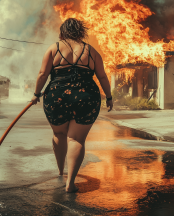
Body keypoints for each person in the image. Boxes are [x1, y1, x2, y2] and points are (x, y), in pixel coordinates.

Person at [31, 18, 113, 193]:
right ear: (81, 32)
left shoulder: (54, 48)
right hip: (87, 96)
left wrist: (36, 94)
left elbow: (43, 73)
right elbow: (103, 77)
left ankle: (61, 171)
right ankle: (71, 183)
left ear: (62, 33)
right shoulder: (92, 52)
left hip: (57, 96)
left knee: (59, 133)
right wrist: (110, 97)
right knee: (76, 139)